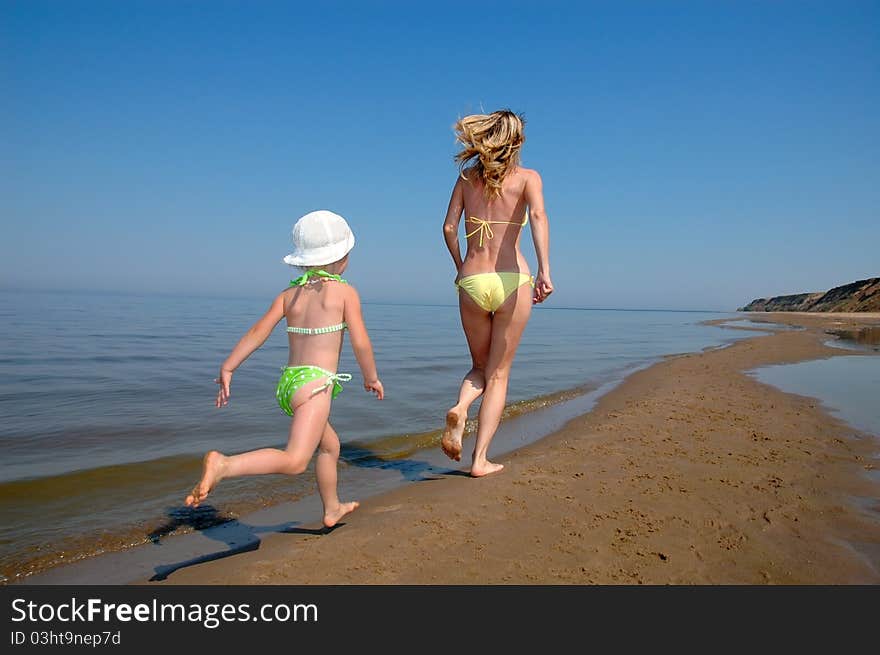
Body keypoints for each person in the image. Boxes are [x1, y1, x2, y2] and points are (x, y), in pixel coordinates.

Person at [185, 210, 384, 528]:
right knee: (294, 461)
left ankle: (332, 508)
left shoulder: (288, 295)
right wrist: (371, 377)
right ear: (341, 258)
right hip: (315, 386)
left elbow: (257, 333)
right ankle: (225, 465)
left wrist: (229, 366)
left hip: (290, 384)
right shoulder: (345, 293)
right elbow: (361, 342)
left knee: (330, 446)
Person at [440, 110, 554, 476]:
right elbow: (537, 218)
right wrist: (545, 272)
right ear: (516, 141)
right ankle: (480, 460)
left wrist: (461, 266)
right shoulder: (528, 178)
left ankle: (461, 406)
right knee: (499, 374)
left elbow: (447, 228)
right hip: (511, 279)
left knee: (478, 367)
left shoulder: (465, 179)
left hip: (472, 280)